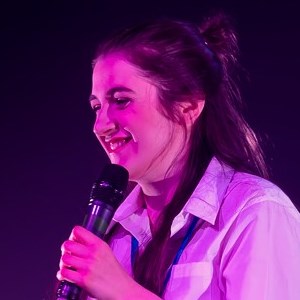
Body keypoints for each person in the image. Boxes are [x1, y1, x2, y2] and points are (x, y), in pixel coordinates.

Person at [56, 12, 300, 300]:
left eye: (121, 101)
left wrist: (123, 291)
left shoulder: (253, 213)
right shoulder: (116, 236)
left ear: (188, 106)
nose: (100, 126)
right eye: (97, 107)